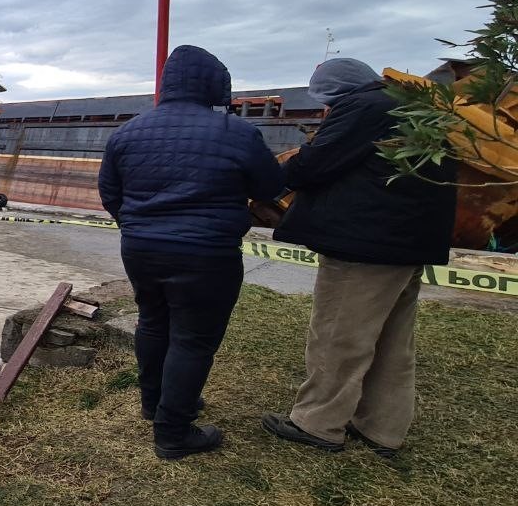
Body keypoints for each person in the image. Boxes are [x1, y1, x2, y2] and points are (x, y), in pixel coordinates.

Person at [262, 59, 456, 458]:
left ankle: (317, 422)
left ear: (336, 90)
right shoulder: (415, 107)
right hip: (407, 243)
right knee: (391, 340)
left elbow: (313, 166)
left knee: (339, 335)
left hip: (365, 244)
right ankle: (382, 427)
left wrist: (279, 168)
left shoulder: (364, 107)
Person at [98, 46, 284, 460]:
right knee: (194, 339)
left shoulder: (128, 132)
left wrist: (137, 225)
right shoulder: (236, 132)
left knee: (153, 322)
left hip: (141, 248)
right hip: (207, 253)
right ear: (215, 84)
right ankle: (173, 433)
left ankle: (154, 403)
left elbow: (111, 194)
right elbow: (271, 187)